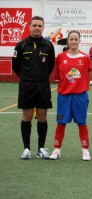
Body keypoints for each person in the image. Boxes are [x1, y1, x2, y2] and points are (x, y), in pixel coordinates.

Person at [12, 16, 55, 160]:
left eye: (40, 25)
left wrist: (40, 77)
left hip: (43, 86)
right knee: (27, 117)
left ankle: (41, 149)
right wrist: (27, 77)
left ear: (43, 27)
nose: (37, 28)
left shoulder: (48, 46)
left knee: (42, 117)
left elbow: (50, 66)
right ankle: (26, 149)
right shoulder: (21, 45)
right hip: (26, 86)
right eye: (34, 25)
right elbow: (15, 66)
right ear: (29, 26)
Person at [49, 30, 92, 161]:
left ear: (79, 41)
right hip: (64, 96)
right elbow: (59, 77)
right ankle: (57, 150)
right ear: (67, 41)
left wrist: (79, 85)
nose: (73, 41)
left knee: (82, 123)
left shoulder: (85, 57)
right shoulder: (61, 57)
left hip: (80, 96)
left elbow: (89, 76)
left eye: (76, 39)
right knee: (61, 123)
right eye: (71, 39)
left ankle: (85, 151)